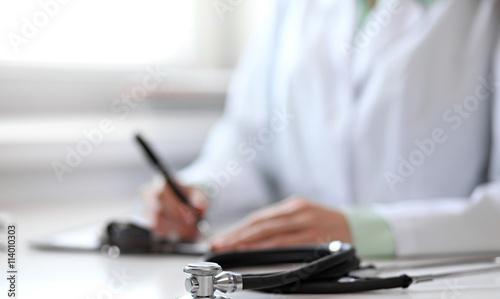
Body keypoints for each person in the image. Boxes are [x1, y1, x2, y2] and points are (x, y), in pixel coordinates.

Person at [145, 0, 500, 258]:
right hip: (298, 280)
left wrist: (368, 229)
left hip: (439, 286)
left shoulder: (484, 14)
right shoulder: (292, 9)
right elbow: (249, 144)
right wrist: (201, 192)